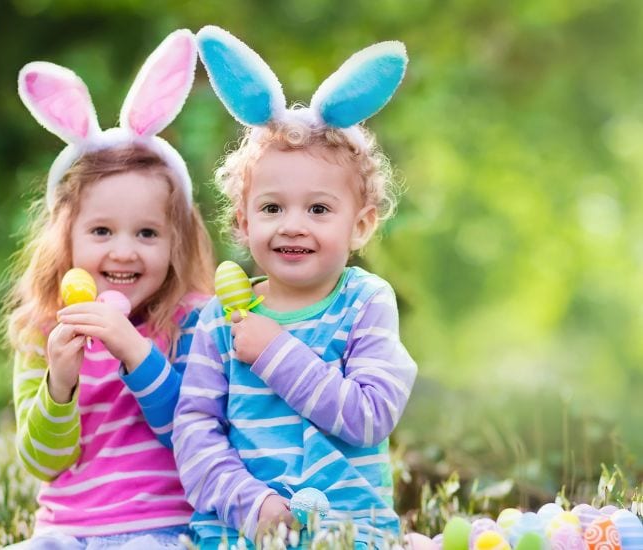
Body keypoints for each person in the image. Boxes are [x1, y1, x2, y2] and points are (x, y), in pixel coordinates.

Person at [173, 25, 417, 549]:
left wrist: (275, 351)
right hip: (240, 534)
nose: (293, 224)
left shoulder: (365, 302)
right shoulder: (219, 318)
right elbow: (194, 432)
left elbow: (371, 417)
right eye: (271, 208)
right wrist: (250, 503)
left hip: (350, 534)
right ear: (242, 222)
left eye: (320, 209)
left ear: (362, 225)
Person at [1, 29, 214, 549]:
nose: (123, 252)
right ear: (66, 241)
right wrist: (60, 384)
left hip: (162, 530)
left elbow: (196, 436)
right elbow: (42, 463)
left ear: (176, 242)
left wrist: (136, 352)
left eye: (147, 233)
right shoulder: (43, 330)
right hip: (65, 532)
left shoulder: (193, 322)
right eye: (101, 232)